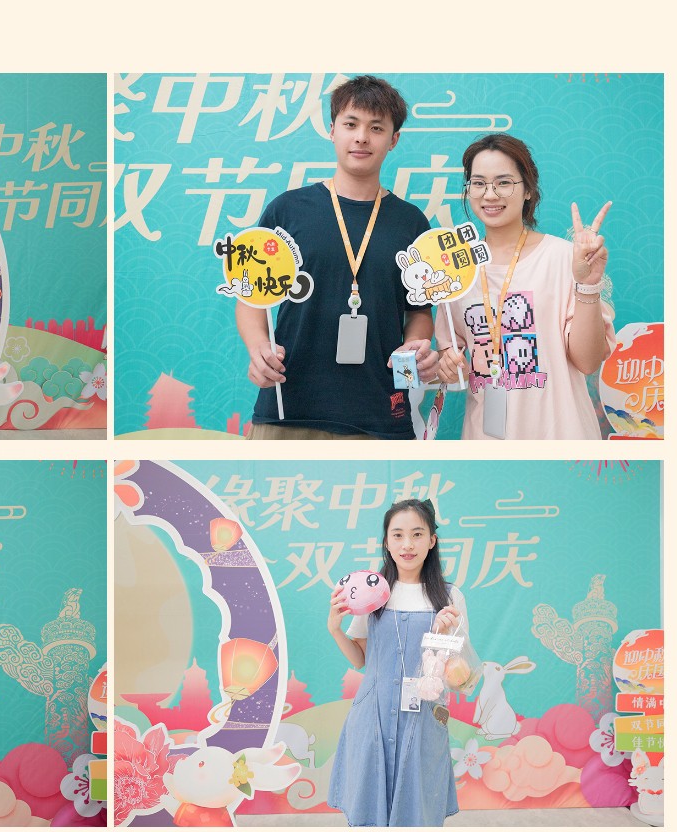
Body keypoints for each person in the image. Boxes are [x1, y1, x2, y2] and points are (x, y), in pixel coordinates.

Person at [238, 75, 438, 440]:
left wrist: (415, 346)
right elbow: (251, 297)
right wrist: (258, 349)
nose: (361, 137)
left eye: (376, 128)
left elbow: (419, 311)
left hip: (381, 414)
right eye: (351, 124)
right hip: (287, 407)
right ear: (332, 131)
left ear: (393, 139)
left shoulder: (411, 223)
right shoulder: (288, 210)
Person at [435, 134, 615, 439]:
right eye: (478, 183)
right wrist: (449, 367)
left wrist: (587, 284)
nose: (490, 194)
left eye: (504, 182)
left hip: (562, 441)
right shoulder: (456, 272)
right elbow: (452, 360)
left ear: (528, 189)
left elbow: (588, 362)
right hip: (486, 444)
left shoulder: (563, 258)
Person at [327, 499, 465, 826]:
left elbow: (458, 675)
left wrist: (441, 636)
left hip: (424, 717)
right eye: (398, 535)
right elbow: (360, 659)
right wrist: (334, 628)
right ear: (386, 542)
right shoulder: (371, 592)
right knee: (369, 810)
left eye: (417, 534)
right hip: (372, 715)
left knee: (418, 811)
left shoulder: (450, 597)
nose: (407, 545)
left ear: (432, 540)